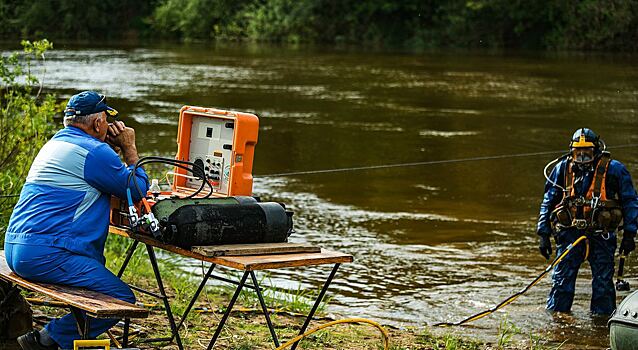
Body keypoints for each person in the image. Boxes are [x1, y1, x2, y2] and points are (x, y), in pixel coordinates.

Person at [5, 91, 149, 350]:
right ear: (97, 123)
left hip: (16, 247)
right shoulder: (95, 152)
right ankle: (45, 341)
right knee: (121, 298)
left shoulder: (55, 144)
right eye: (106, 119)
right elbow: (136, 189)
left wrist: (109, 152)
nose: (108, 125)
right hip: (45, 254)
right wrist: (129, 148)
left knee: (97, 279)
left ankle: (59, 339)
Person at [537, 128, 638, 315]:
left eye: (587, 152)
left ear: (596, 150)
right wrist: (543, 233)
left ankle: (602, 326)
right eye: (578, 152)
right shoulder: (562, 169)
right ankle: (558, 324)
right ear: (571, 151)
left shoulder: (614, 169)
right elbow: (548, 200)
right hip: (569, 234)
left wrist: (630, 234)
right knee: (561, 284)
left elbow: (630, 200)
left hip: (601, 235)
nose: (582, 156)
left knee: (603, 285)